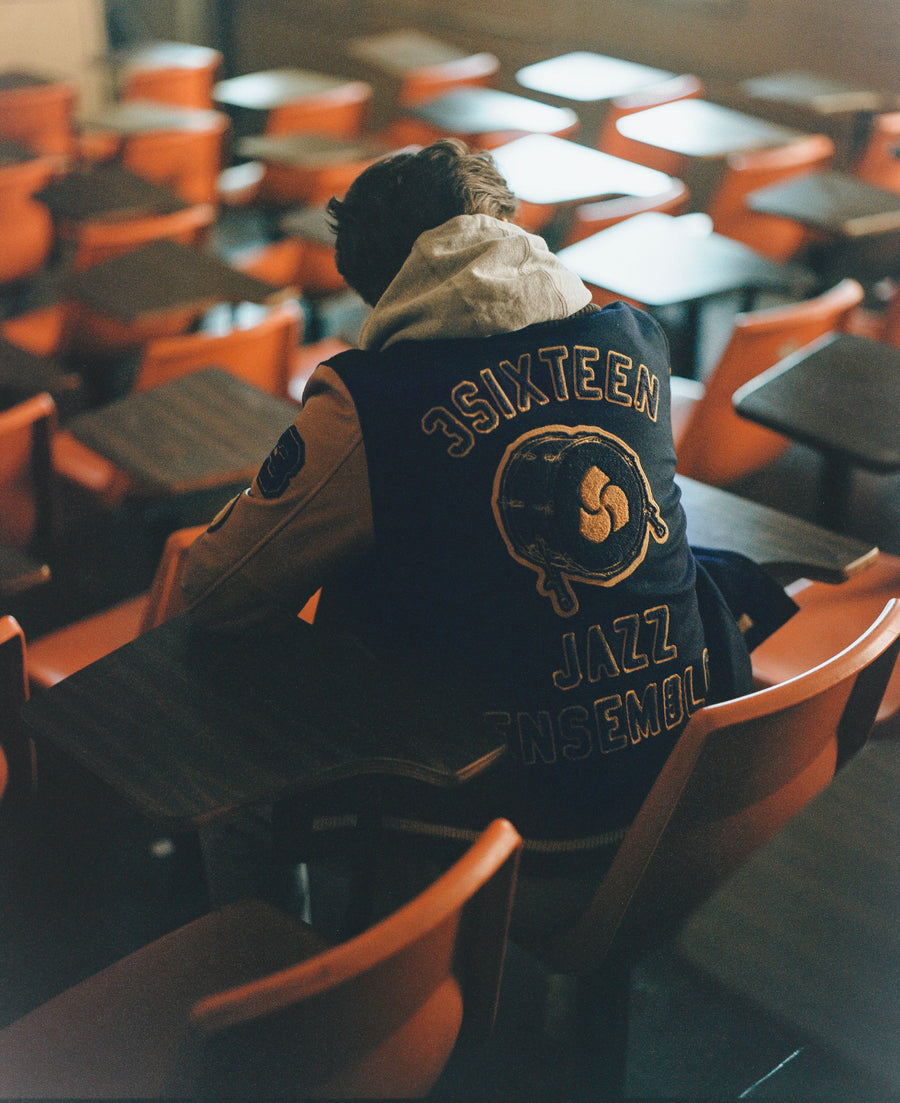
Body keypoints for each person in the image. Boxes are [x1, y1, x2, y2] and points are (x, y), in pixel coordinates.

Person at [182, 139, 758, 925]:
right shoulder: (637, 340)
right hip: (680, 776)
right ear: (509, 229)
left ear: (376, 284)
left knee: (224, 755)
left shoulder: (368, 403)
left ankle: (278, 985)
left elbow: (215, 591)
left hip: (507, 807)